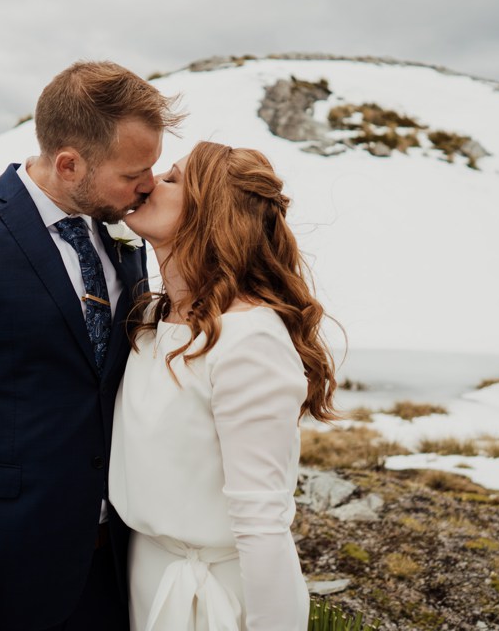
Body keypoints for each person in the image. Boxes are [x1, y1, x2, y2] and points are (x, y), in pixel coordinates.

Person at [0, 61, 184, 631]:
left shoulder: (123, 236)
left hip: (119, 566)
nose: (146, 184)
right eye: (133, 172)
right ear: (70, 162)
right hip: (5, 573)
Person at [110, 141, 339, 631]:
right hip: (145, 578)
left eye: (173, 179)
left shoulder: (249, 337)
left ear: (211, 212)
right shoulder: (151, 318)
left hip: (217, 600)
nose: (150, 181)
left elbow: (262, 521)